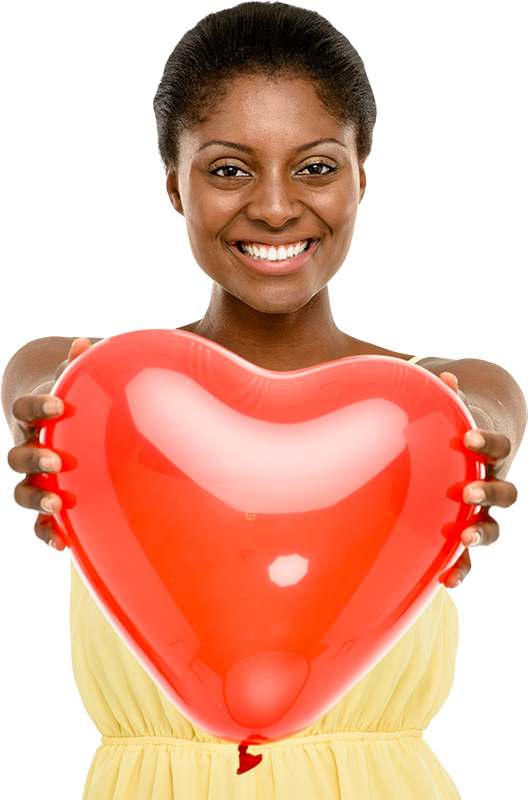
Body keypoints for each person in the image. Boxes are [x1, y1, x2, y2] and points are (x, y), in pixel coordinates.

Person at [2, 1, 526, 797]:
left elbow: (491, 413)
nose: (276, 207)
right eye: (228, 168)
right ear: (174, 185)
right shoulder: (107, 396)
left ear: (361, 179)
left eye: (315, 166)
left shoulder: (429, 406)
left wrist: (468, 440)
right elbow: (35, 386)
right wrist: (63, 419)